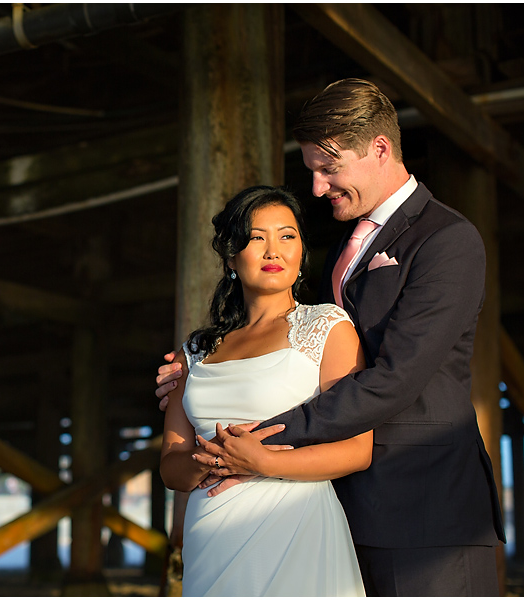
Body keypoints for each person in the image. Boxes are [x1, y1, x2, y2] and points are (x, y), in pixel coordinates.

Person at [156, 78, 505, 596]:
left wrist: (256, 439)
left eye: (328, 167)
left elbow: (395, 378)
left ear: (379, 149)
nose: (318, 188)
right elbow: (299, 350)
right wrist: (203, 377)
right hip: (338, 509)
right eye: (312, 172)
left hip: (426, 510)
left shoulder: (447, 240)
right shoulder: (348, 241)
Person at [161, 185, 369, 596]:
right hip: (211, 534)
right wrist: (215, 458)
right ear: (231, 256)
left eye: (287, 236)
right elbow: (172, 467)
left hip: (295, 526)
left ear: (301, 251)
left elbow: (358, 451)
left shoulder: (328, 326)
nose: (274, 250)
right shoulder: (195, 351)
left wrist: (260, 462)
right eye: (257, 238)